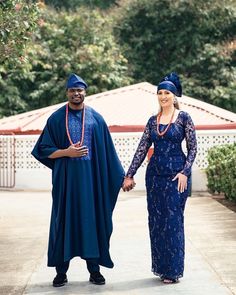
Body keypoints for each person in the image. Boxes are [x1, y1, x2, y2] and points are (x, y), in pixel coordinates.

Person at [32, 73, 124, 287]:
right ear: (67, 92)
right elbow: (43, 150)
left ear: (85, 92)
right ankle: (61, 272)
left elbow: (109, 152)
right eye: (73, 90)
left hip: (91, 184)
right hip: (66, 183)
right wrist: (66, 152)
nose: (76, 93)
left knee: (90, 222)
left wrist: (122, 177)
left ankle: (94, 270)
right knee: (63, 222)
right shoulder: (56, 118)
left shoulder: (96, 119)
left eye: (80, 90)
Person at [122, 72, 197, 284]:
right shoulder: (152, 121)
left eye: (167, 93)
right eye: (160, 93)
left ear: (175, 96)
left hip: (176, 177)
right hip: (154, 177)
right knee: (157, 221)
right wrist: (130, 174)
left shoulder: (184, 118)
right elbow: (142, 148)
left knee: (173, 221)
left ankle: (173, 271)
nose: (163, 96)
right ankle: (162, 267)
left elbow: (193, 148)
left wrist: (185, 172)